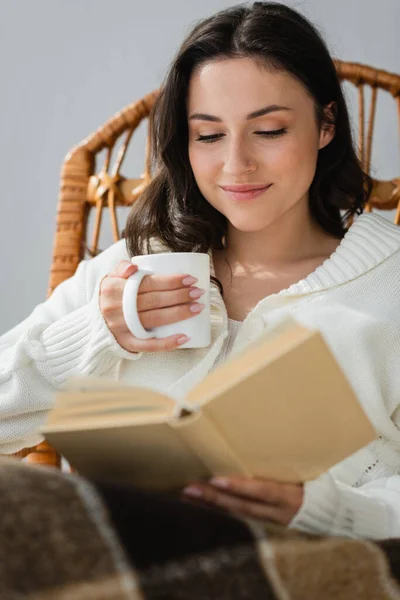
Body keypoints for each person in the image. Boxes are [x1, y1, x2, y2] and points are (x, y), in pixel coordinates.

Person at [1, 1, 400, 540]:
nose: (236, 164)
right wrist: (95, 335)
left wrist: (320, 509)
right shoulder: (137, 267)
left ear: (326, 124)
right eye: (209, 135)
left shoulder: (389, 283)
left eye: (270, 130)